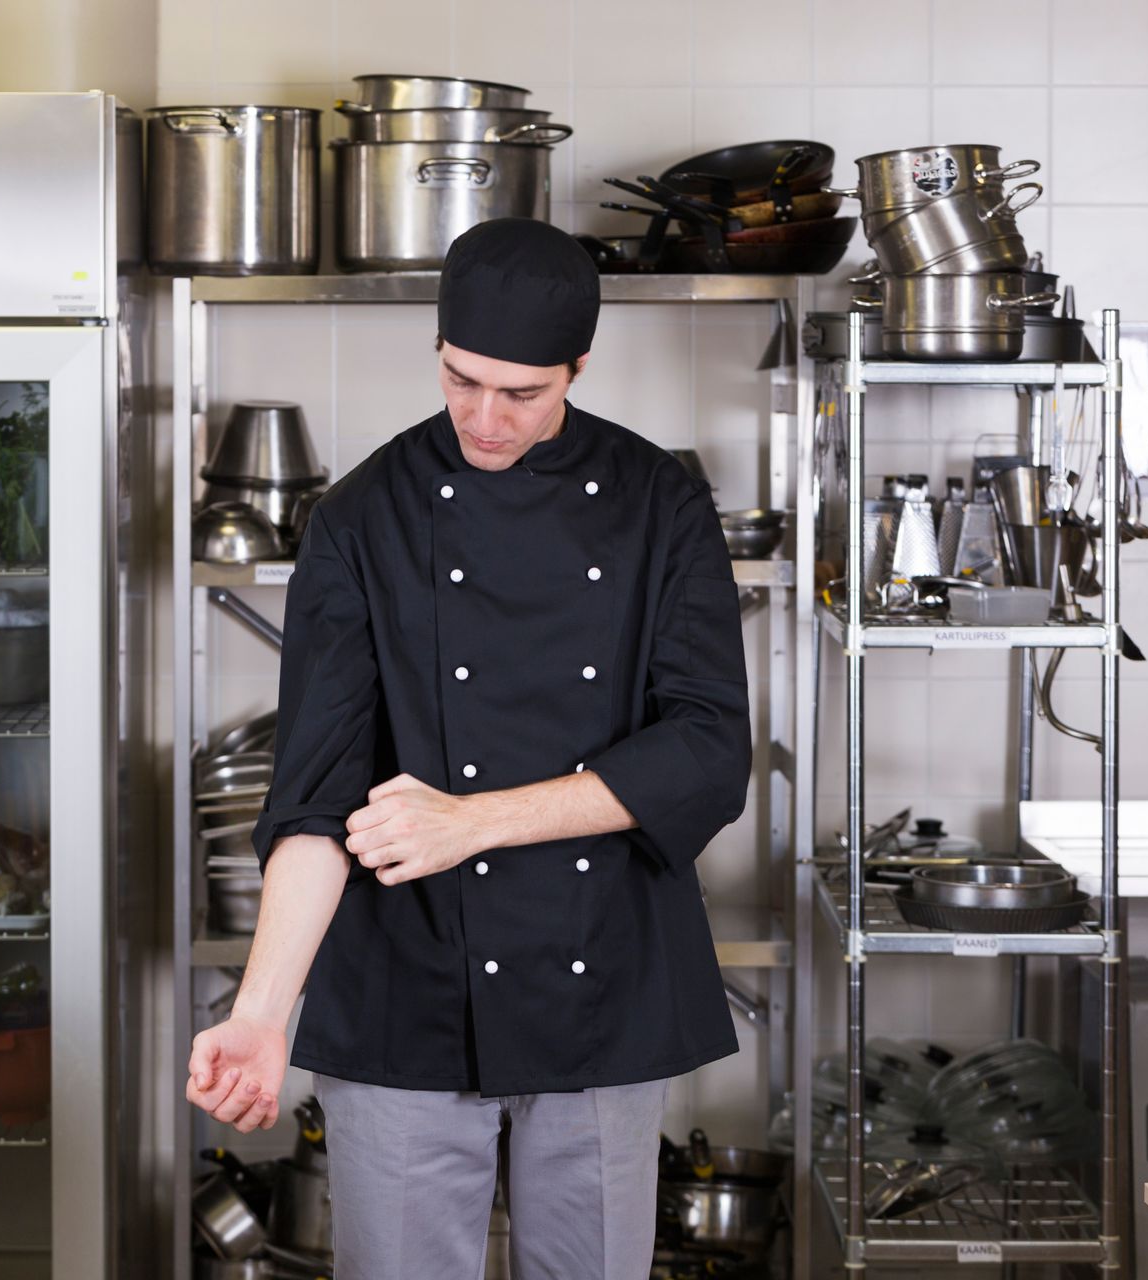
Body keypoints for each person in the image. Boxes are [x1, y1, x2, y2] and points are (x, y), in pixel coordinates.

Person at [185, 217, 752, 1278]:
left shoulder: (659, 506)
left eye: (522, 392)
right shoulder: (362, 518)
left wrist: (474, 821)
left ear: (579, 366)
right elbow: (312, 798)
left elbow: (709, 749)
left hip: (601, 977)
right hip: (402, 983)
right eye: (461, 380)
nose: (485, 419)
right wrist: (260, 1014)